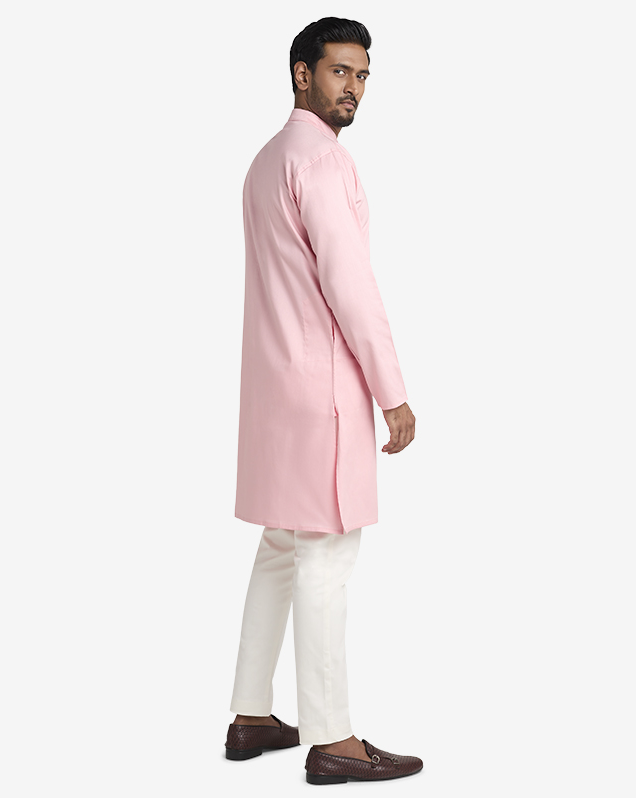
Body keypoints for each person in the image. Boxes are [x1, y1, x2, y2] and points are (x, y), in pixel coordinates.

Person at [225, 18, 422, 785]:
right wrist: (392, 391)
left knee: (282, 547)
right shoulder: (322, 162)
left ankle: (250, 713)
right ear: (301, 73)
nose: (354, 88)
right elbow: (349, 285)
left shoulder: (267, 161)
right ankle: (334, 739)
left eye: (362, 75)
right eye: (340, 71)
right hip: (323, 394)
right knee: (327, 556)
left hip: (275, 393)